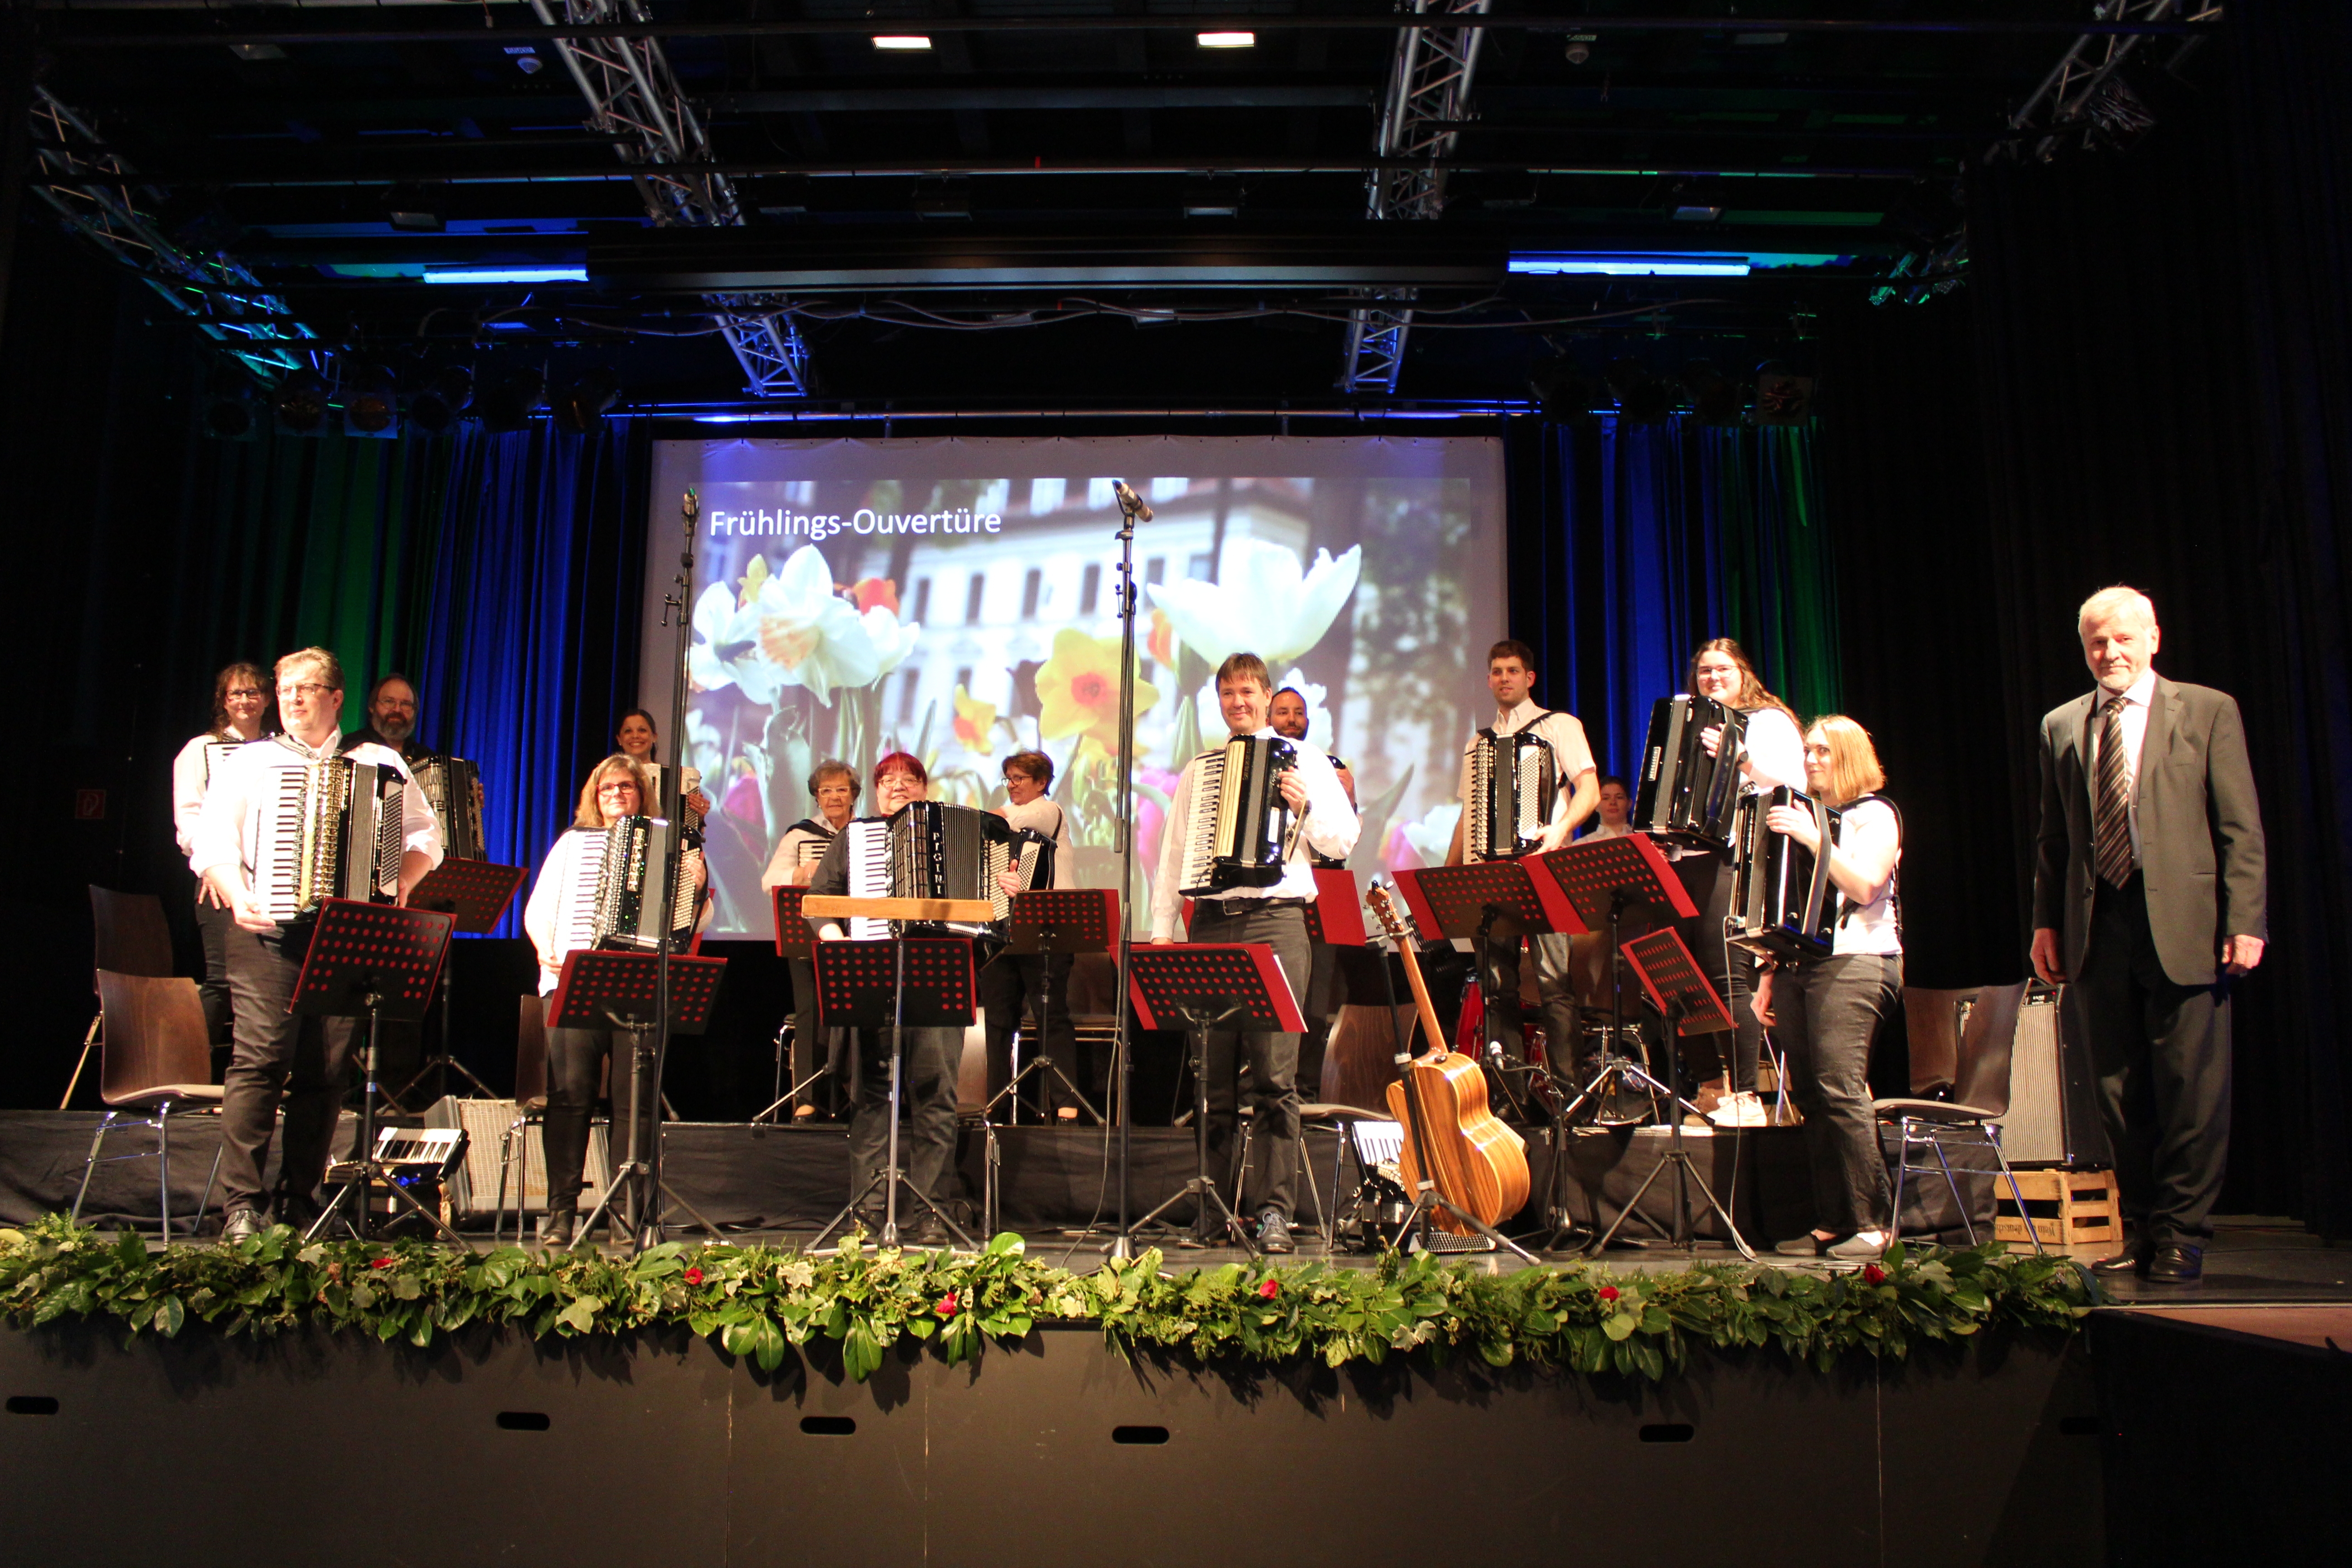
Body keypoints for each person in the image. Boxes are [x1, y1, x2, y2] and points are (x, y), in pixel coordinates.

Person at [2031, 587, 2265, 1285]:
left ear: (2153, 638)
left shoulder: (2206, 710)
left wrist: (2245, 918)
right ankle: (2138, 1225)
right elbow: (2053, 837)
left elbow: (2239, 826)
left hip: (2185, 923)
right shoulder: (2063, 724)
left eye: (2123, 639)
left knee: (2191, 1088)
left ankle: (2183, 1233)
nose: (2111, 653)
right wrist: (2046, 922)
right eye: (2098, 642)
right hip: (2099, 924)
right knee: (2115, 1092)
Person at [191, 648, 441, 1244]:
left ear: (336, 698)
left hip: (345, 935)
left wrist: (399, 885)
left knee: (326, 1071)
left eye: (307, 688)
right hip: (266, 929)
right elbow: (212, 841)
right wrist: (237, 892)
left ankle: (301, 1200)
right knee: (260, 1060)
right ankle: (242, 1207)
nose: (293, 698)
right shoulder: (251, 761)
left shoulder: (376, 761)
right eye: (285, 688)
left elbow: (425, 835)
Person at [1152, 653, 1359, 1254]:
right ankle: (1212, 1210)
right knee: (1210, 1077)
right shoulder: (1201, 769)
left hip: (1277, 923)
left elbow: (1342, 840)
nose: (1238, 702)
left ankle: (1274, 1212)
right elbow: (1174, 852)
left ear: (1268, 696)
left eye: (1248, 692)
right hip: (1211, 924)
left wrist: (1306, 807)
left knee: (1274, 1075)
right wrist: (1164, 931)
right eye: (1228, 694)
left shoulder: (1306, 761)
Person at [522, 754, 707, 1247]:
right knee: (570, 1096)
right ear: (594, 797)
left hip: (639, 982)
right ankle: (561, 1212)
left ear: (641, 793)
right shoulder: (572, 845)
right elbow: (540, 907)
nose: (617, 795)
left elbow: (696, 919)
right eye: (608, 789)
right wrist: (547, 951)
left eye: (626, 787)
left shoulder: (669, 845)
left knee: (636, 1102)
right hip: (571, 980)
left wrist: (696, 880)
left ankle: (631, 1215)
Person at [1752, 716, 1904, 1262]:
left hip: (1860, 962)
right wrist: (1768, 975)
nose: (1812, 760)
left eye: (1823, 752)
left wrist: (1815, 838)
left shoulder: (1875, 814)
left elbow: (1864, 886)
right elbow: (1793, 907)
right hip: (1799, 968)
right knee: (1812, 1098)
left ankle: (1875, 1223)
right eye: (1809, 751)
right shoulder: (1811, 816)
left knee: (1841, 1087)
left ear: (1849, 756)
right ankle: (1834, 1220)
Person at [806, 751, 965, 1245]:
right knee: (872, 1100)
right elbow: (819, 901)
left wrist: (1004, 893)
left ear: (924, 788)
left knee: (935, 1098)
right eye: (887, 780)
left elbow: (988, 914)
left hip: (936, 978)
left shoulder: (954, 833)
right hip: (871, 975)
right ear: (874, 791)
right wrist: (844, 947)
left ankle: (930, 1214)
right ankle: (869, 1216)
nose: (897, 787)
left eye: (909, 779)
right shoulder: (856, 837)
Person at [1444, 640, 1598, 1088]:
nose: (1504, 678)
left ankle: (1569, 1091)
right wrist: (1447, 879)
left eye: (1513, 670)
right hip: (1488, 878)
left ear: (1529, 678)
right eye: (1496, 671)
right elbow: (1466, 814)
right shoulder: (1478, 743)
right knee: (1496, 989)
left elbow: (1587, 787)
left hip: (1542, 869)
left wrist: (1562, 827)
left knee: (1554, 984)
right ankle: (1510, 1094)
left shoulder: (1559, 726)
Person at [1676, 638, 1807, 1128]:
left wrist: (1742, 758)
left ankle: (1747, 1092)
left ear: (1743, 672)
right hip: (1685, 856)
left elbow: (1792, 787)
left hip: (1736, 854)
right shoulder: (1692, 723)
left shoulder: (1767, 721)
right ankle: (1712, 1086)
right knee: (1679, 975)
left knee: (1725, 972)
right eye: (1704, 670)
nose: (1712, 677)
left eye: (1722, 669)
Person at [172, 662, 273, 1061]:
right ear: (224, 702)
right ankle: (189, 1077)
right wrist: (214, 868)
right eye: (236, 694)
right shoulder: (201, 749)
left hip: (271, 881)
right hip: (219, 881)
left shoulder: (279, 751)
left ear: (267, 699)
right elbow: (189, 820)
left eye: (253, 693)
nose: (245, 701)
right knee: (221, 981)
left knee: (268, 984)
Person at [979, 750, 1083, 1122]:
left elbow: (1004, 819)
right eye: (1008, 778)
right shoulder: (1000, 829)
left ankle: (1065, 1105)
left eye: (1019, 779)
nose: (1011, 786)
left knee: (1050, 1015)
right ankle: (997, 1103)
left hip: (1048, 928)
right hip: (1004, 929)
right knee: (997, 1019)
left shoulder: (1048, 811)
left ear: (1041, 782)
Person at [760, 760, 861, 1120]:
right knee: (810, 1015)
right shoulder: (802, 836)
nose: (834, 797)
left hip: (860, 938)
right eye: (826, 791)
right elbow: (769, 881)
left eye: (841, 790)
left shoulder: (866, 832)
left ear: (854, 796)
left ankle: (858, 1092)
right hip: (811, 938)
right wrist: (803, 873)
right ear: (816, 797)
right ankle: (807, 1096)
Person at [1271, 683, 1353, 1096]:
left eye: (1298, 712)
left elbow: (1344, 839)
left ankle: (1304, 1089)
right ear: (1270, 717)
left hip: (1329, 889)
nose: (1291, 719)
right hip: (1281, 891)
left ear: (1309, 719)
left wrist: (1350, 795)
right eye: (1282, 711)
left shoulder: (1328, 765)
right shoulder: (1260, 762)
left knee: (1316, 997)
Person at [615, 707, 712, 821]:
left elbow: (686, 826)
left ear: (654, 737)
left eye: (642, 730)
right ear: (619, 739)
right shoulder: (608, 778)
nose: (635, 736)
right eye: (628, 731)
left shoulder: (678, 779)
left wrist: (698, 816)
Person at [347, 672, 424, 760]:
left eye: (406, 704)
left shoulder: (425, 758)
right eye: (389, 702)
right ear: (372, 707)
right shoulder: (349, 748)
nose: (397, 709)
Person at [1578, 776, 1633, 841]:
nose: (1613, 803)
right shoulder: (1582, 844)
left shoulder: (1644, 840)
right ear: (1596, 805)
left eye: (1619, 797)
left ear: (1629, 804)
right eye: (1606, 798)